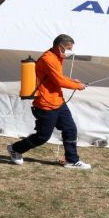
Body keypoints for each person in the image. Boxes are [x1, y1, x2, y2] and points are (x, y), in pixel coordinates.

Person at [7, 34, 91, 170]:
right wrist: (78, 86)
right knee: (42, 137)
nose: (70, 51)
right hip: (45, 104)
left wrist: (72, 81)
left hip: (58, 101)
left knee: (70, 129)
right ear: (60, 47)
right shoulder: (48, 59)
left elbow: (56, 77)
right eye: (68, 48)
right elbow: (59, 81)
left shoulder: (58, 57)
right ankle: (15, 149)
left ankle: (72, 160)